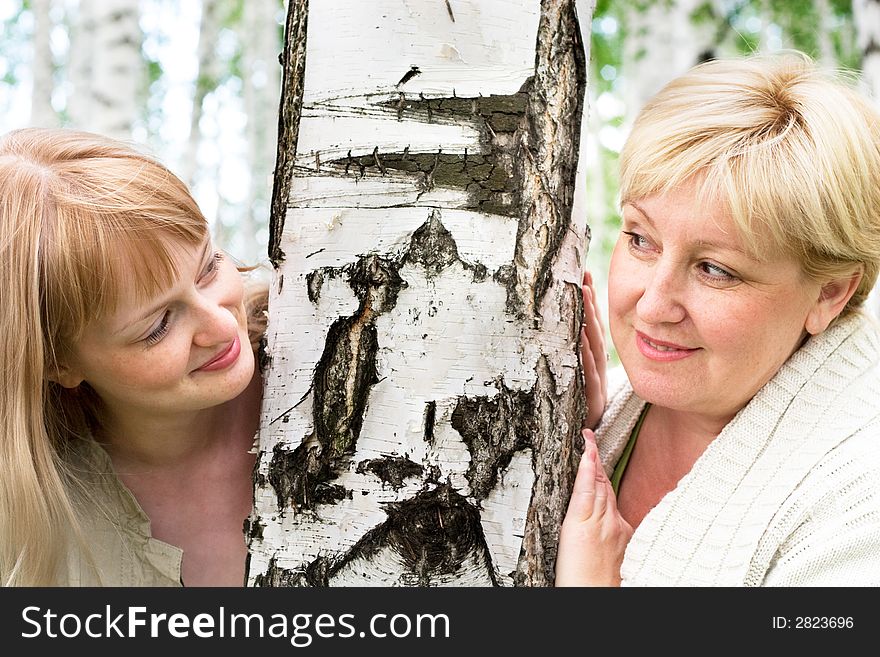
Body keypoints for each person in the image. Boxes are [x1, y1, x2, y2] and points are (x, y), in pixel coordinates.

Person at [556, 52, 880, 586]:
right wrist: (577, 432)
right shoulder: (601, 408)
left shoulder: (858, 502)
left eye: (715, 270)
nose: (653, 305)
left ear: (829, 292)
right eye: (640, 238)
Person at [0, 128, 268, 586]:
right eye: (158, 326)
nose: (223, 326)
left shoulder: (341, 336)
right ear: (58, 363)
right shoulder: (25, 527)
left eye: (208, 268)